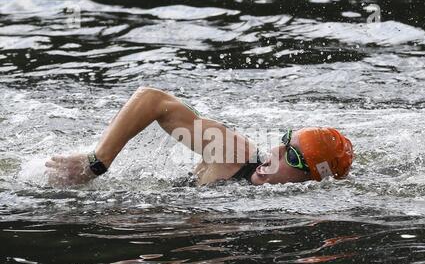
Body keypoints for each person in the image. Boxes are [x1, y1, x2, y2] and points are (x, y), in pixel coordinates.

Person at [45, 87, 354, 186]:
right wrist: (96, 164)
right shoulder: (236, 155)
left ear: (313, 180)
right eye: (284, 141)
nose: (275, 152)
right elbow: (153, 100)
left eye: (292, 155)